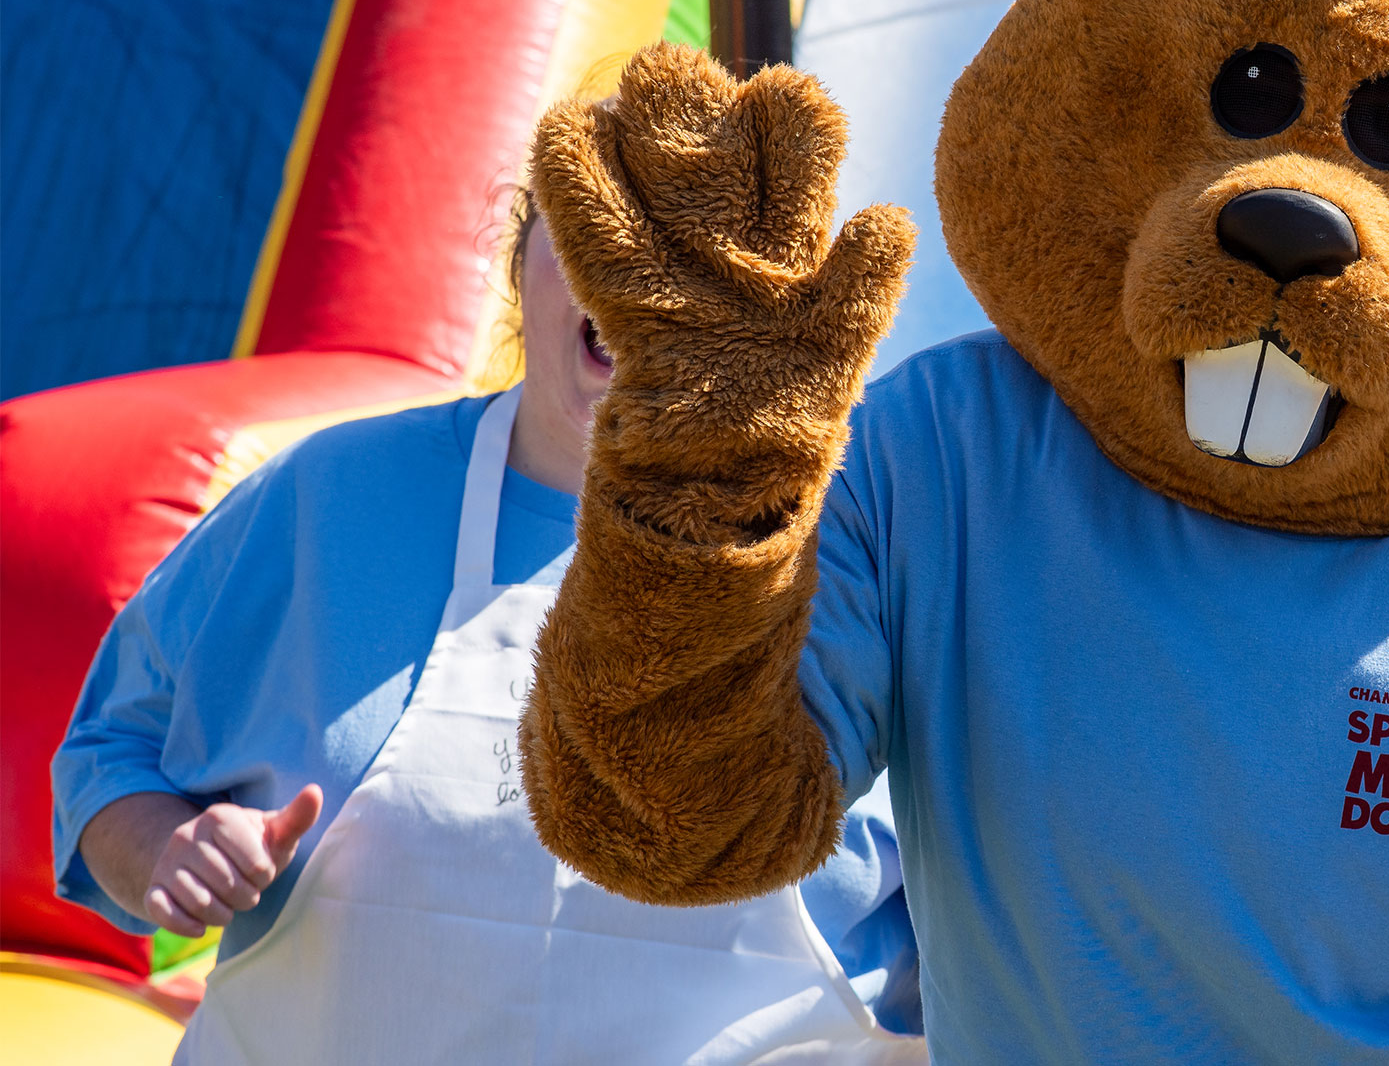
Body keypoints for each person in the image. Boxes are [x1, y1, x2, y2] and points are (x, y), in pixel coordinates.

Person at [51, 188, 925, 1060]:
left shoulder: (859, 550)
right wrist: (169, 847)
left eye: (684, 241)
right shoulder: (330, 498)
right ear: (522, 261)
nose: (638, 265)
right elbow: (107, 756)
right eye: (600, 217)